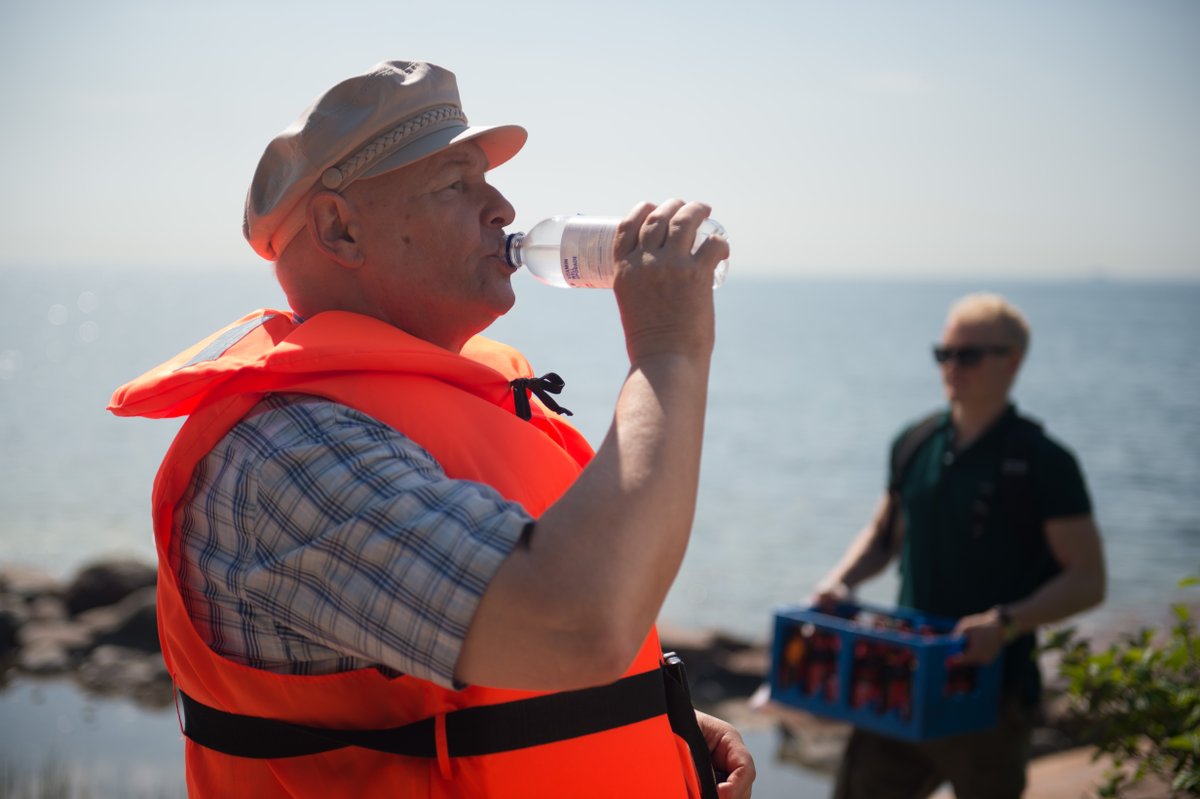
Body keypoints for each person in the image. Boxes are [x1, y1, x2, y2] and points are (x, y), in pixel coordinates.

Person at [109, 60, 754, 799]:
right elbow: (579, 621)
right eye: (458, 184)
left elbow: (497, 665)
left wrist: (637, 718)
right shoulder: (289, 453)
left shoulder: (448, 400)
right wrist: (670, 350)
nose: (505, 207)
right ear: (340, 227)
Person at [812, 293, 1106, 799]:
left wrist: (1006, 623)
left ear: (1011, 361)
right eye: (943, 354)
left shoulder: (1044, 461)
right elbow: (884, 537)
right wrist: (841, 581)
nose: (951, 366)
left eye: (968, 355)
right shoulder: (915, 442)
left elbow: (1088, 580)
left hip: (990, 694)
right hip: (898, 681)